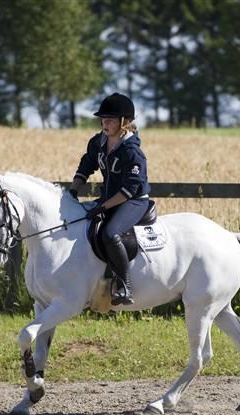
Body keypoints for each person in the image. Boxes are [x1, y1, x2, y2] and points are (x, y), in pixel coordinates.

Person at [69, 92, 150, 305]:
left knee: (111, 233)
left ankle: (125, 286)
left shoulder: (133, 153)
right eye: (102, 119)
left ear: (124, 122)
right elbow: (86, 165)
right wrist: (73, 191)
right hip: (108, 198)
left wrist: (103, 207)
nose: (104, 123)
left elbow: (129, 190)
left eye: (110, 120)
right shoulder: (98, 142)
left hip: (133, 201)